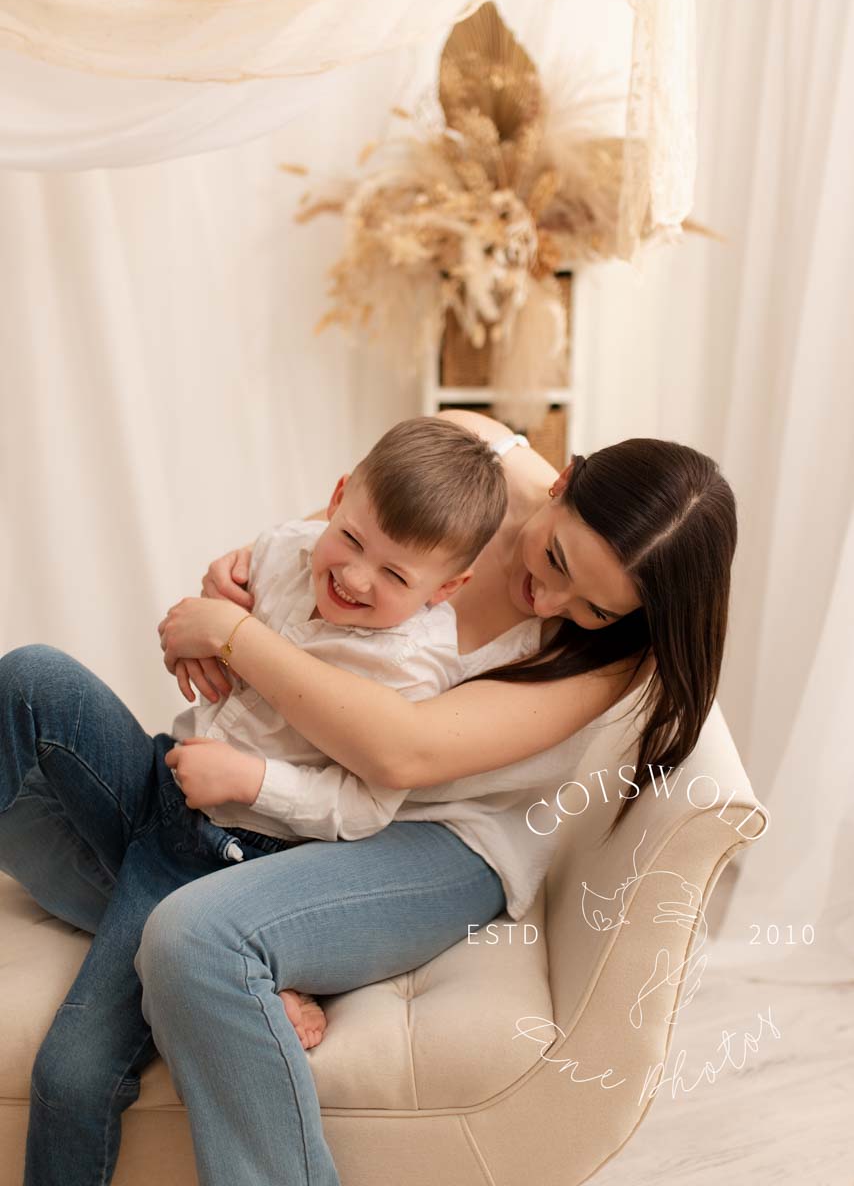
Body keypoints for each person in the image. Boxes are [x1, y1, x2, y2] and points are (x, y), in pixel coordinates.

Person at [136, 410, 736, 1186]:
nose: (550, 600)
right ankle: (256, 977)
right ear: (561, 482)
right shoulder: (470, 449)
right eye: (555, 556)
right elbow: (315, 556)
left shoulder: (607, 660)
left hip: (443, 840)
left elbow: (402, 753)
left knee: (195, 939)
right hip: (305, 784)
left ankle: (250, 970)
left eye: (591, 608)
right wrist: (235, 580)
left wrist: (232, 637)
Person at [0, 414, 522, 1185]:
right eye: (353, 540)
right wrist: (190, 638)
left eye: (396, 576)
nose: (356, 578)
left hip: (229, 860)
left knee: (71, 1075)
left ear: (446, 589)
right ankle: (251, 985)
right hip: (164, 781)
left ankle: (230, 976)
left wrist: (253, 782)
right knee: (31, 675)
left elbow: (362, 810)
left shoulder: (413, 669)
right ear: (337, 499)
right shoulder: (287, 550)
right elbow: (216, 621)